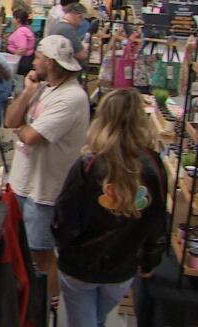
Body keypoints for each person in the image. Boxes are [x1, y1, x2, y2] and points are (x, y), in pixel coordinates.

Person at [52, 89, 167, 327]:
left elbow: (66, 218)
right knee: (97, 319)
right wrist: (149, 261)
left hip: (80, 266)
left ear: (101, 118)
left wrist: (63, 246)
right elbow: (157, 220)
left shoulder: (88, 165)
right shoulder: (153, 165)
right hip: (122, 268)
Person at [3, 34, 89, 303]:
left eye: (39, 57)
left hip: (45, 192)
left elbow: (30, 136)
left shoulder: (71, 97)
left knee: (41, 254)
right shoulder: (44, 87)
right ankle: (30, 302)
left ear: (50, 63)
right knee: (24, 249)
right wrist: (28, 92)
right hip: (23, 183)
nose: (34, 60)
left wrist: (22, 128)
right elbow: (11, 120)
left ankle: (47, 306)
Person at [7, 8, 36, 76]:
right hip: (27, 59)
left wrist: (13, 60)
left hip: (22, 61)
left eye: (13, 17)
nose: (12, 19)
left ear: (18, 19)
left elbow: (22, 49)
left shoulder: (20, 32)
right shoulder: (26, 28)